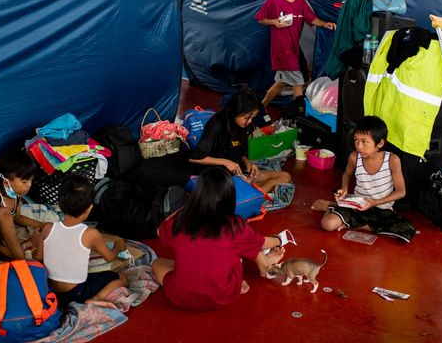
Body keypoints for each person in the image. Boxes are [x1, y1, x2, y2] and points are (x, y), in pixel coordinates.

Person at [151, 167, 293, 310]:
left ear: (197, 194)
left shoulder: (181, 220)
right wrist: (278, 239)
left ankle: (195, 272)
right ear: (230, 196)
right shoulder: (235, 225)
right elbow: (263, 243)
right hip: (223, 295)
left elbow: (159, 231)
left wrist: (187, 207)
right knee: (244, 246)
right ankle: (264, 266)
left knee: (157, 263)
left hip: (181, 297)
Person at [311, 116, 415, 241]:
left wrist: (374, 202)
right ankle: (338, 210)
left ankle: (345, 218)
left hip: (381, 209)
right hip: (357, 206)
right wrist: (344, 188)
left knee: (406, 231)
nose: (359, 146)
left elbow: (401, 192)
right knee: (328, 224)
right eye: (356, 140)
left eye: (364, 142)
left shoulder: (392, 160)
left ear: (380, 143)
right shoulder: (354, 157)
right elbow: (347, 174)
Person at [34, 174, 128, 307]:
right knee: (122, 278)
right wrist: (118, 246)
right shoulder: (90, 234)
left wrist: (36, 242)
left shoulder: (48, 228)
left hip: (52, 291)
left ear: (59, 205)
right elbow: (109, 257)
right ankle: (96, 298)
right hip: (77, 291)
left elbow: (39, 260)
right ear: (90, 208)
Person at [255, 0, 336, 107]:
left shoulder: (300, 0)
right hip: (282, 49)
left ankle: (262, 106)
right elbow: (261, 18)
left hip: (295, 48)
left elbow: (311, 18)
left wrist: (324, 24)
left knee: (281, 82)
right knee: (298, 83)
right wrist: (275, 22)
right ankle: (297, 114)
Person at [188, 88, 291, 193]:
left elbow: (240, 152)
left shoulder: (243, 126)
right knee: (235, 189)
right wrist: (225, 162)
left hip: (238, 174)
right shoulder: (217, 124)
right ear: (236, 111)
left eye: (252, 117)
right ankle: (247, 193)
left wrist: (248, 164)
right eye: (247, 117)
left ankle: (247, 192)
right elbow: (193, 157)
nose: (250, 121)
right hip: (218, 177)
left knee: (285, 177)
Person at [0, 150, 48, 260]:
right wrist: (4, 250)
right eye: (24, 182)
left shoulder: (16, 194)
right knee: (3, 212)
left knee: (43, 233)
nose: (29, 185)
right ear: (6, 182)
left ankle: (21, 249)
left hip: (4, 239)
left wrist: (41, 224)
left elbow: (17, 218)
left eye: (31, 180)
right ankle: (21, 259)